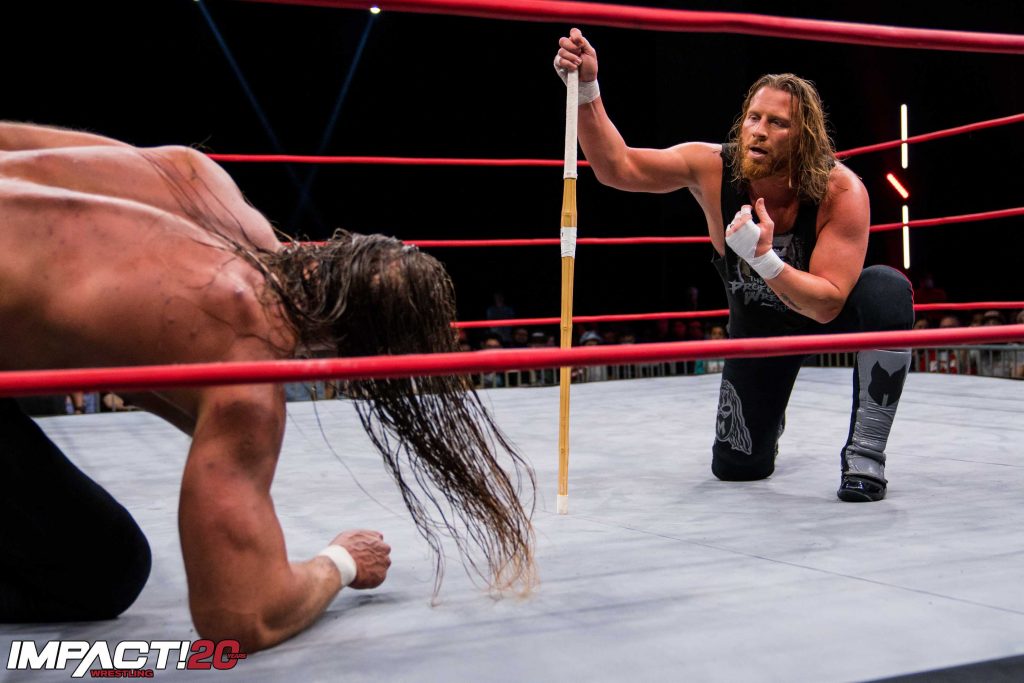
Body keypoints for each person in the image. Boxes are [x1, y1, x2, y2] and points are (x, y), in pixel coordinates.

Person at [0, 122, 535, 650]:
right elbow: (237, 617)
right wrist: (341, 562)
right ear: (358, 360)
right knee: (108, 569)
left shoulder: (199, 178)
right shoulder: (245, 359)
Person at [554, 30, 913, 502]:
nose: (759, 130)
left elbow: (827, 305)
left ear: (804, 137)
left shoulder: (840, 190)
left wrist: (764, 260)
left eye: (777, 123)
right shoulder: (711, 167)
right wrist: (587, 89)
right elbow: (617, 167)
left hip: (827, 317)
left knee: (887, 288)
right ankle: (769, 412)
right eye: (753, 117)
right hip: (760, 330)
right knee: (738, 467)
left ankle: (865, 453)